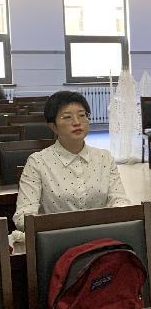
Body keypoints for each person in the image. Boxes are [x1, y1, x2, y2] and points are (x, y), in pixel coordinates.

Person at [13, 91, 131, 230]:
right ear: (53, 126)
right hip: (57, 239)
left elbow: (120, 200)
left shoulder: (104, 158)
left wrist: (119, 216)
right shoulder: (37, 162)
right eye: (67, 117)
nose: (77, 122)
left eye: (82, 115)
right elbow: (23, 217)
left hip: (101, 236)